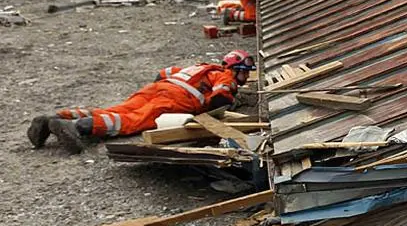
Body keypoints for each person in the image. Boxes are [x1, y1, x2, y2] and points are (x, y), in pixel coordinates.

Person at [27, 50, 256, 153]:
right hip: (176, 100)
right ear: (235, 69)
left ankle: (57, 118)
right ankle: (78, 128)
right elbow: (220, 97)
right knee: (132, 121)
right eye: (245, 73)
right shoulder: (225, 76)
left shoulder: (199, 66)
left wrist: (162, 91)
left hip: (157, 88)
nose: (245, 78)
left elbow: (163, 72)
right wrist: (227, 103)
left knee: (116, 109)